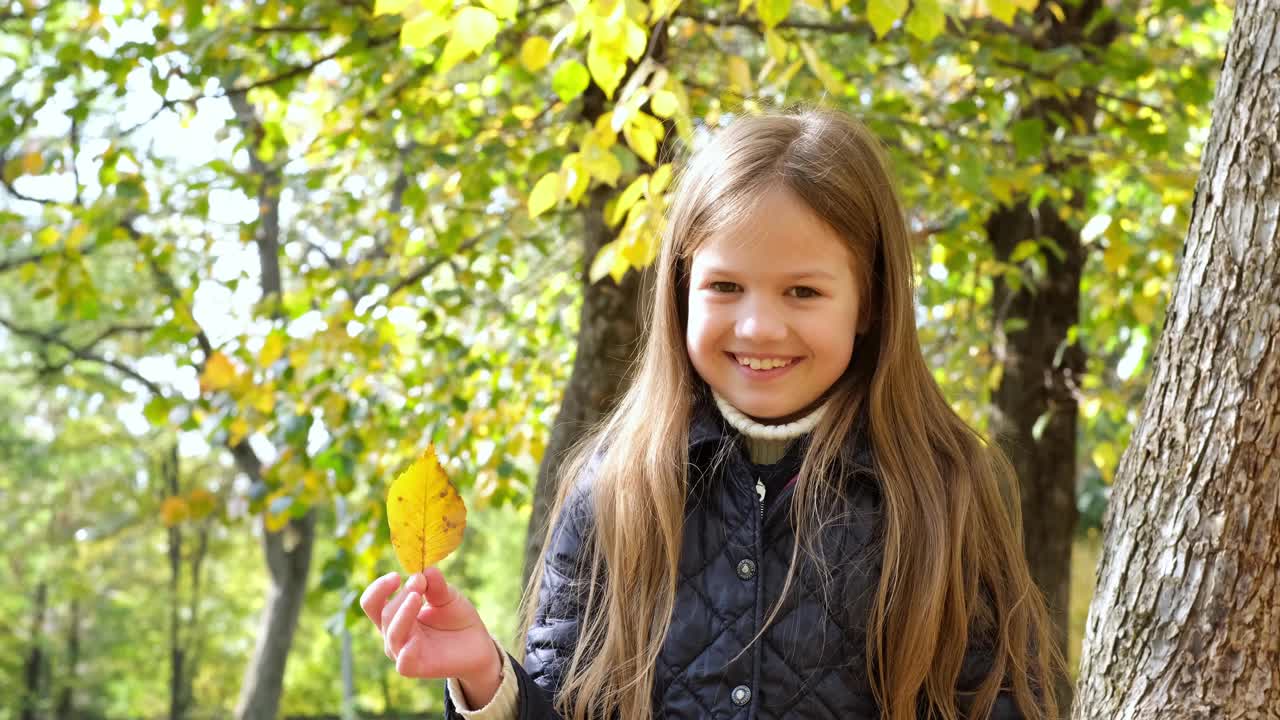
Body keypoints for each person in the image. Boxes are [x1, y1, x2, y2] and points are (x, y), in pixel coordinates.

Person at [360, 106, 1063, 720]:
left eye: (803, 293)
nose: (758, 327)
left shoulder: (942, 491)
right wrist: (486, 678)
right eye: (726, 285)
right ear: (681, 290)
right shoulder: (615, 489)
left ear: (870, 302)